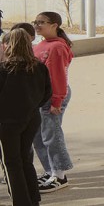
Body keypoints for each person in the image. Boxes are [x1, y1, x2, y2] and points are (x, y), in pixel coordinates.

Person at [0, 28, 51, 206]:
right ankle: (32, 199)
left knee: (11, 162)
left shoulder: (4, 69)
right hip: (31, 118)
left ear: (8, 45)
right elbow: (46, 93)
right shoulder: (39, 67)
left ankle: (21, 201)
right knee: (25, 159)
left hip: (7, 122)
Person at [32, 12, 75, 193]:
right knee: (38, 136)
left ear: (54, 25)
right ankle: (50, 171)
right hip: (40, 95)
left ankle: (59, 175)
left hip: (53, 95)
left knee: (51, 135)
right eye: (35, 22)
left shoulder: (57, 47)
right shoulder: (41, 45)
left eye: (41, 22)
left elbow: (58, 75)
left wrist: (56, 101)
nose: (37, 25)